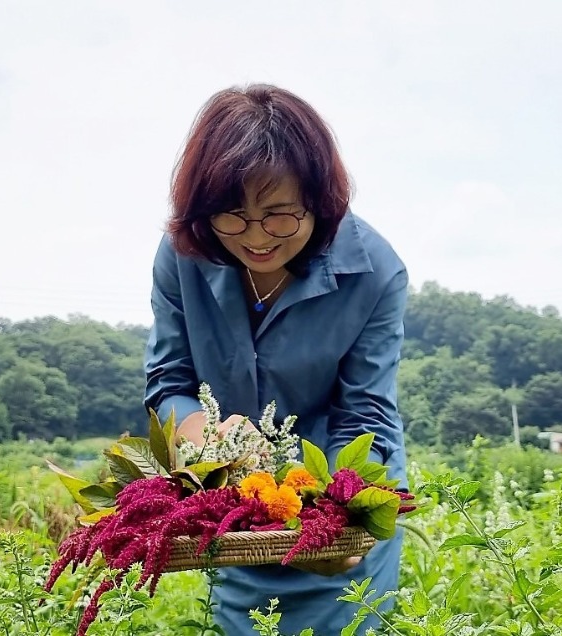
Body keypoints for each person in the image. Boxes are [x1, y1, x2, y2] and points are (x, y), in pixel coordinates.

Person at [143, 83, 409, 636]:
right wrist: (212, 443)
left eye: (280, 215)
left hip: (338, 482)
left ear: (320, 201)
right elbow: (169, 380)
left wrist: (329, 515)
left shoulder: (377, 273)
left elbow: (363, 416)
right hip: (238, 495)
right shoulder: (182, 256)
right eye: (232, 216)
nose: (256, 238)